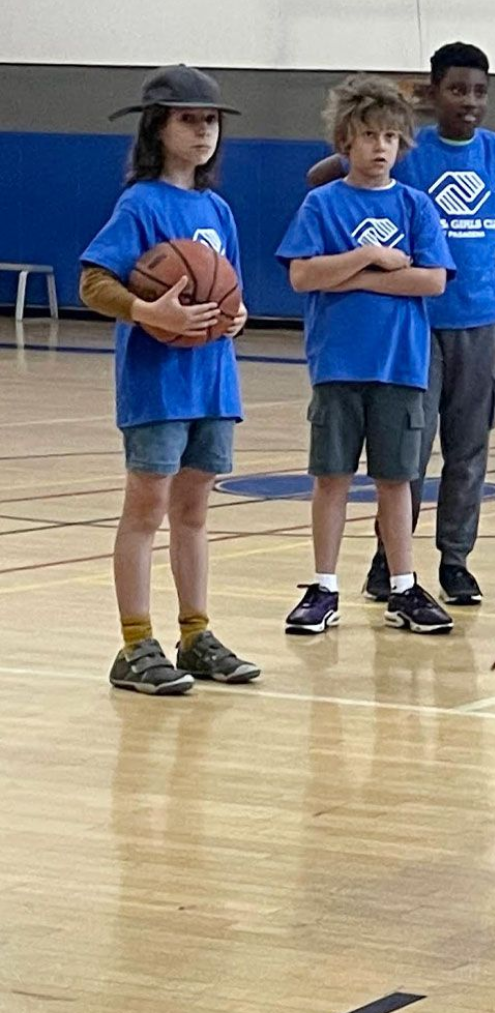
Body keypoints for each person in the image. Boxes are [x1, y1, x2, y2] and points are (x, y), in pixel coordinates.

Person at [309, 44, 495, 608]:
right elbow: (324, 172)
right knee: (408, 451)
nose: (469, 101)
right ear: (434, 91)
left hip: (480, 317)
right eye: (456, 89)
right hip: (414, 322)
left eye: (478, 91)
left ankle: (455, 560)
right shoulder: (408, 149)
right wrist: (399, 110)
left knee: (468, 447)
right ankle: (389, 562)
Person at [79, 65, 258, 696]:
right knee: (147, 510)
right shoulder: (142, 204)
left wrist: (234, 316)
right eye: (189, 118)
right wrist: (147, 310)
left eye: (210, 120)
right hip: (156, 384)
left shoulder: (216, 208)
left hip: (212, 383)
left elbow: (231, 290)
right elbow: (93, 282)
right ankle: (134, 646)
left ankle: (196, 635)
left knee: (195, 513)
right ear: (157, 127)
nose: (204, 130)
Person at [276, 75, 456, 636]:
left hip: (400, 364)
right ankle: (323, 586)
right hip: (337, 363)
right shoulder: (322, 204)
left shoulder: (416, 205)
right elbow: (304, 274)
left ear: (403, 145)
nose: (380, 147)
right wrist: (372, 256)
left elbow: (432, 282)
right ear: (344, 142)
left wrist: (353, 278)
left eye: (390, 137)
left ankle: (402, 587)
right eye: (369, 136)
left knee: (395, 480)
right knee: (331, 477)